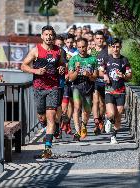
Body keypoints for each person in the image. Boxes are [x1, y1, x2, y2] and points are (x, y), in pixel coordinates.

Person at [21, 25, 65, 158]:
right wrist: (36, 71)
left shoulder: (59, 51)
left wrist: (62, 68)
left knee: (51, 117)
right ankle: (52, 126)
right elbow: (23, 65)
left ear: (54, 36)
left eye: (51, 34)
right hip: (39, 87)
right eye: (46, 34)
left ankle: (47, 149)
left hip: (53, 87)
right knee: (42, 117)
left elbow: (62, 64)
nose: (49, 37)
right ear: (42, 36)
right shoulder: (36, 51)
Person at [101, 38, 132, 144]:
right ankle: (108, 119)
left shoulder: (124, 60)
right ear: (110, 47)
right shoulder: (106, 59)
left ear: (120, 47)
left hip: (120, 90)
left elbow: (129, 76)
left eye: (117, 47)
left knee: (119, 114)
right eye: (113, 46)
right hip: (109, 90)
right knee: (111, 114)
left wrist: (123, 75)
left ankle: (113, 136)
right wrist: (105, 75)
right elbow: (101, 71)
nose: (115, 49)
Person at [68, 38, 98, 141]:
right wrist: (76, 71)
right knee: (76, 107)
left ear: (87, 46)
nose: (82, 49)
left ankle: (84, 125)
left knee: (87, 110)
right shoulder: (73, 59)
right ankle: (77, 131)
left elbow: (95, 77)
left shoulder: (93, 59)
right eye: (79, 47)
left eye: (83, 47)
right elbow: (70, 78)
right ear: (77, 47)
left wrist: (89, 75)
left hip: (88, 86)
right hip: (77, 86)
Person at [91, 30, 108, 135]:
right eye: (97, 38)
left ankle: (101, 119)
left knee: (102, 104)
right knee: (96, 101)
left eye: (101, 38)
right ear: (94, 39)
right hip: (94, 80)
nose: (99, 40)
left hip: (105, 81)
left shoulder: (108, 51)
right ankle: (96, 122)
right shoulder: (91, 52)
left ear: (104, 40)